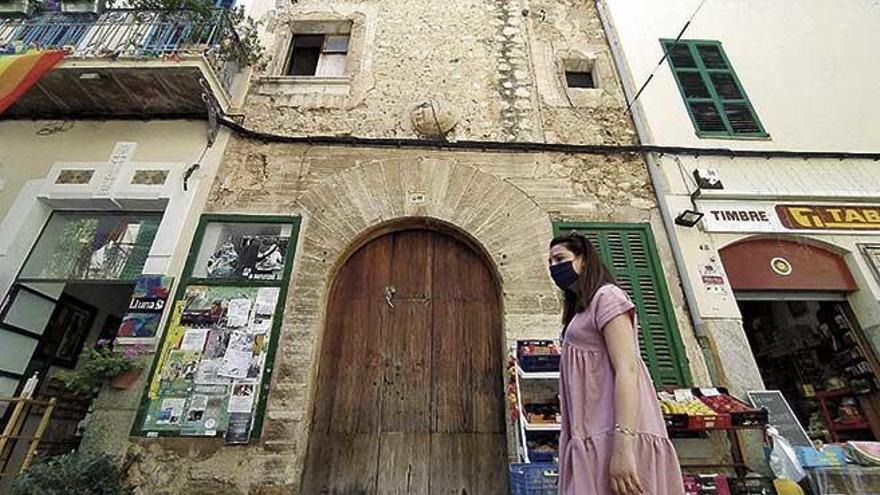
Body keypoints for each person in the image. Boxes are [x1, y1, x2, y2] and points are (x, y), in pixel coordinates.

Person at [548, 231, 685, 495]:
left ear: (584, 260)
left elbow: (627, 368)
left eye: (560, 259)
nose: (555, 268)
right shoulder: (580, 309)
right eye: (551, 262)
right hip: (591, 431)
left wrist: (623, 448)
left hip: (615, 431)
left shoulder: (607, 297)